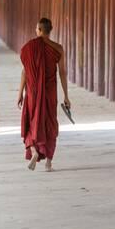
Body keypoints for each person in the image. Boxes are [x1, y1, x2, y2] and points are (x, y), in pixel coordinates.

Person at [17, 17, 71, 172]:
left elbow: (24, 72)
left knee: (32, 121)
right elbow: (62, 73)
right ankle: (48, 163)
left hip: (33, 92)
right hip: (49, 92)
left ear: (40, 30)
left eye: (36, 29)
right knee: (49, 123)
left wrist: (20, 93)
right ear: (50, 30)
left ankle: (34, 151)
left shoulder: (28, 48)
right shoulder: (58, 48)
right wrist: (66, 96)